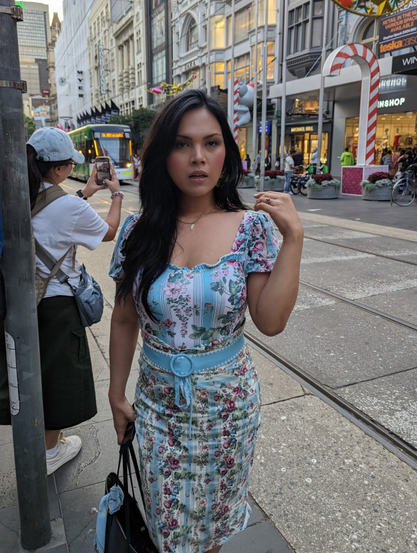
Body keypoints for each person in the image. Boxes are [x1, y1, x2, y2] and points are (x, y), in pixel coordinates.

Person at [108, 90, 303, 553]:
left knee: (211, 528)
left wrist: (293, 238)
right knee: (164, 521)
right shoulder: (139, 231)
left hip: (227, 409)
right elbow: (122, 319)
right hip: (157, 405)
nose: (198, 158)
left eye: (211, 143)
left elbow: (270, 321)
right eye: (182, 144)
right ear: (163, 156)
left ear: (226, 154)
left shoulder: (250, 227)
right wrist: (116, 393)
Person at [0, 127, 123, 475]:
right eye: (70, 164)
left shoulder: (17, 192)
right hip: (55, 307)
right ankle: (50, 451)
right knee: (59, 377)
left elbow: (55, 214)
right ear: (58, 169)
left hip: (19, 302)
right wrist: (114, 196)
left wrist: (85, 193)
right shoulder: (67, 205)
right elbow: (108, 231)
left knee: (29, 372)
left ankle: (38, 439)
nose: (72, 168)